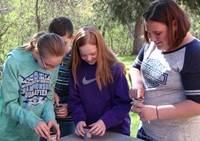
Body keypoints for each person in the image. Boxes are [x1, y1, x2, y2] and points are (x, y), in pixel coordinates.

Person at [129, 0, 200, 141]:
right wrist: (137, 84)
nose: (152, 38)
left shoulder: (193, 52)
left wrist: (156, 112)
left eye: (157, 33)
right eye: (149, 33)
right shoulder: (151, 44)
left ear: (174, 25)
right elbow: (135, 67)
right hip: (146, 131)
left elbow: (197, 105)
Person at [0, 31, 66, 141]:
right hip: (8, 133)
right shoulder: (14, 62)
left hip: (32, 134)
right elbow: (8, 104)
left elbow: (48, 98)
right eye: (48, 65)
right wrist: (34, 121)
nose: (51, 70)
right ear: (36, 53)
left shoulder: (53, 64)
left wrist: (50, 117)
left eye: (56, 65)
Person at [68, 26, 131, 138]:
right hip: (89, 132)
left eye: (93, 54)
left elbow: (124, 103)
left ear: (101, 48)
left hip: (116, 131)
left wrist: (105, 122)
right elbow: (75, 100)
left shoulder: (115, 69)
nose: (89, 58)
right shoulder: (76, 69)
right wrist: (79, 120)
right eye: (84, 55)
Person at [48, 17, 75, 138]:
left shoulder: (78, 58)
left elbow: (84, 91)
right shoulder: (44, 56)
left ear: (72, 38)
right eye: (55, 42)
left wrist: (69, 106)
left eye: (64, 43)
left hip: (69, 118)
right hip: (46, 117)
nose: (59, 47)